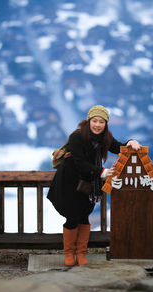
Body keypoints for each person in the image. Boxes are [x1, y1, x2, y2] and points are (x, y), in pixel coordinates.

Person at [47, 105, 141, 266]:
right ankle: (69, 254)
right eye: (95, 121)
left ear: (106, 123)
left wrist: (130, 142)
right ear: (89, 121)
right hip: (70, 181)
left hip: (88, 183)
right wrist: (102, 172)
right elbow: (79, 162)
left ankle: (81, 254)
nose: (98, 124)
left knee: (84, 216)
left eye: (102, 121)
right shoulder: (77, 137)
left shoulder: (105, 137)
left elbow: (118, 148)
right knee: (72, 216)